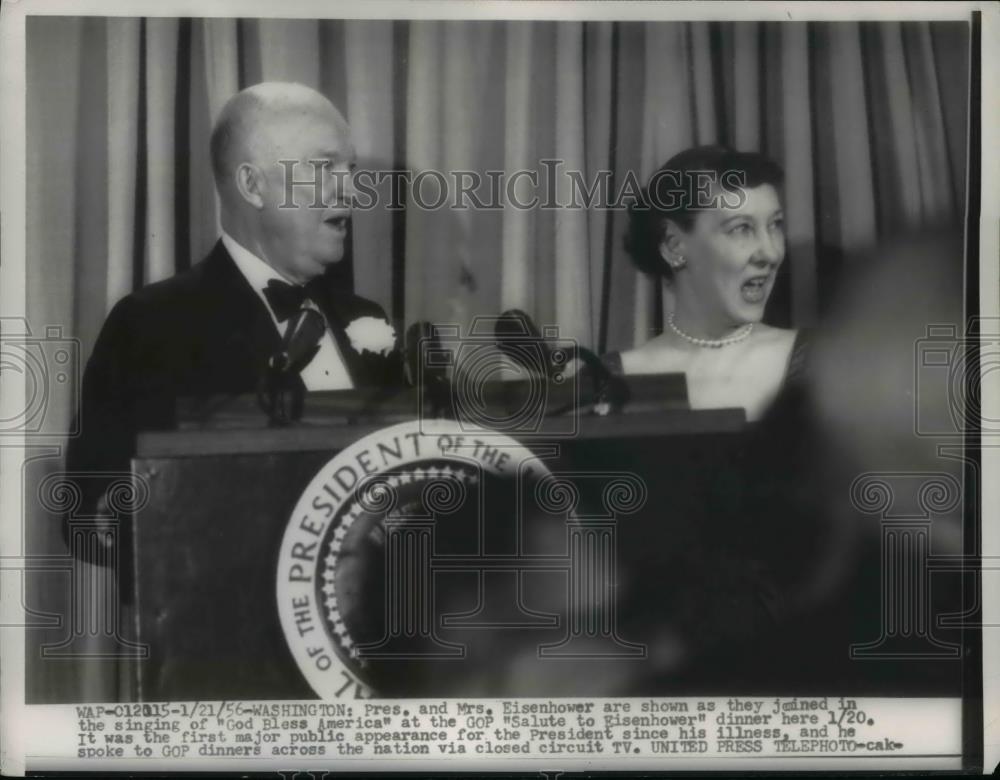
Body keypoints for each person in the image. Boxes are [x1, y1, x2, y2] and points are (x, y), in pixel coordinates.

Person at [65, 82, 404, 550]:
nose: (350, 188)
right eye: (324, 167)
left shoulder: (368, 320)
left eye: (351, 169)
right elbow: (90, 516)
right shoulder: (150, 325)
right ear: (251, 185)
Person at [608, 145, 806, 421]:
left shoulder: (818, 364)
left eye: (775, 225)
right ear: (673, 246)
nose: (770, 253)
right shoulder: (613, 381)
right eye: (741, 229)